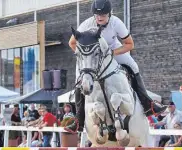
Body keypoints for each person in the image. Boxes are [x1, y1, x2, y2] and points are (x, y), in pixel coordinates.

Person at [69, 0, 167, 131]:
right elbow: (72, 43)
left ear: (109, 14)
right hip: (92, 56)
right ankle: (78, 120)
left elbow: (129, 44)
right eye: (97, 15)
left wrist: (112, 53)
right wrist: (85, 57)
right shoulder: (87, 24)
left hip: (112, 49)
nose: (99, 18)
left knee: (134, 66)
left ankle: (148, 104)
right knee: (79, 79)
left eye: (103, 15)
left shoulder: (116, 23)